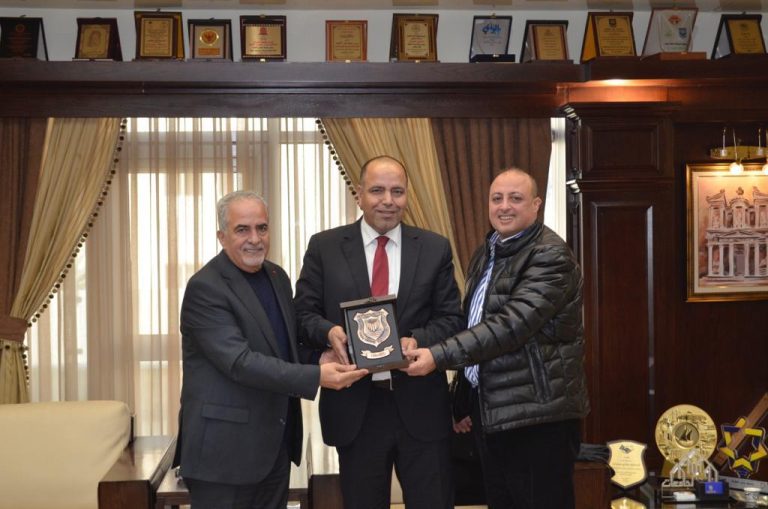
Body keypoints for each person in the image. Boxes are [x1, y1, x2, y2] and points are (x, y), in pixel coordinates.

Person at [404, 168, 590, 509]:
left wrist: (436, 356)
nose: (504, 206)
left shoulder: (550, 256)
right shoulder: (488, 252)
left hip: (537, 416)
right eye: (497, 198)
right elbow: (473, 323)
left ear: (536, 205)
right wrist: (462, 399)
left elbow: (508, 327)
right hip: (493, 411)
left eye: (515, 198)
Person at [175, 190, 368, 509]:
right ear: (222, 236)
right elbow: (240, 362)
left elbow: (282, 342)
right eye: (242, 229)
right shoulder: (205, 287)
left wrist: (322, 351)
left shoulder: (277, 276)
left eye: (262, 228)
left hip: (272, 449)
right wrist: (317, 375)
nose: (255, 239)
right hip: (223, 456)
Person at [294, 156, 464, 509]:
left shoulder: (434, 248)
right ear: (359, 195)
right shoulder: (325, 247)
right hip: (356, 408)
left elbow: (452, 319)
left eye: (397, 191)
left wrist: (418, 339)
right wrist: (329, 332)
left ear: (407, 195)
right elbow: (302, 315)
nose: (388, 200)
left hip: (420, 405)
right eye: (377, 191)